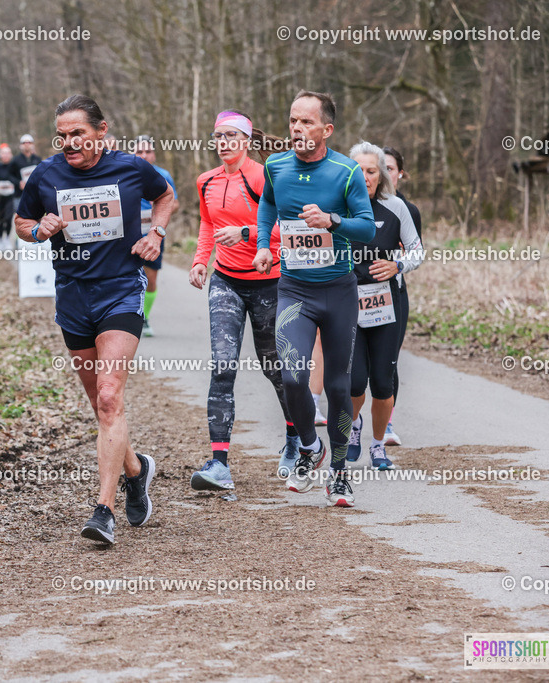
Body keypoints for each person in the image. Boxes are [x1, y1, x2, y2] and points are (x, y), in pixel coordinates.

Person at [14, 94, 175, 544]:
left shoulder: (130, 168)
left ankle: (103, 509)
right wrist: (38, 230)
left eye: (78, 134)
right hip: (73, 297)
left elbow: (165, 196)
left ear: (101, 131)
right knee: (99, 402)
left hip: (120, 291)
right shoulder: (46, 174)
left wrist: (155, 233)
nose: (69, 143)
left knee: (109, 397)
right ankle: (137, 470)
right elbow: (21, 222)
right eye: (61, 136)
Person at [252, 90, 375, 507]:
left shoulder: (346, 172)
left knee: (339, 387)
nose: (297, 129)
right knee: (292, 376)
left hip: (338, 291)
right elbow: (267, 205)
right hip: (295, 290)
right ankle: (309, 448)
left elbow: (367, 228)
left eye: (306, 122)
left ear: (327, 129)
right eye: (292, 122)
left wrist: (332, 220)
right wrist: (265, 245)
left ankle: (339, 472)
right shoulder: (275, 165)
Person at [188, 111, 299, 489]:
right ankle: (219, 463)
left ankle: (295, 438)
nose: (224, 142)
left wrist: (248, 232)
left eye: (231, 135)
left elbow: (289, 229)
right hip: (226, 282)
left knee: (276, 369)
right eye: (218, 136)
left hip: (270, 283)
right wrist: (201, 260)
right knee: (222, 367)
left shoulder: (265, 177)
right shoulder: (206, 181)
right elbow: (208, 224)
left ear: (247, 140)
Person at [345, 142, 423, 469]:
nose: (364, 177)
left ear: (381, 175)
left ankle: (378, 446)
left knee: (382, 382)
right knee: (353, 382)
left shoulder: (396, 208)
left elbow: (417, 251)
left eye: (371, 171)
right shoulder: (337, 207)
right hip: (347, 305)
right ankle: (353, 429)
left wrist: (397, 265)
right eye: (358, 170)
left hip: (386, 304)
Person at [381, 146, 422, 447]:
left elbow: (413, 253)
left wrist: (395, 264)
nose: (384, 173)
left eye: (390, 168)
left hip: (394, 291)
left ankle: (386, 423)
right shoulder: (354, 205)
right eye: (377, 167)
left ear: (400, 174)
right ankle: (354, 423)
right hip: (356, 292)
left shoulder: (408, 211)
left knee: (388, 362)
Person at [134, 135, 179, 337]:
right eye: (139, 152)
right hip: (130, 233)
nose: (143, 155)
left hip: (155, 233)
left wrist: (160, 206)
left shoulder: (163, 175)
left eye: (147, 151)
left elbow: (174, 203)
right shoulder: (125, 174)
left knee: (150, 278)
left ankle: (145, 317)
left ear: (153, 154)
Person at [0, 143, 18, 250]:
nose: (6, 155)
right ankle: (1, 240)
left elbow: (18, 179)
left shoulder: (14, 166)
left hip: (10, 196)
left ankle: (7, 239)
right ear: (0, 155)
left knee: (9, 218)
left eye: (8, 153)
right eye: (3, 153)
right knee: (1, 219)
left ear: (11, 155)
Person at [11, 133, 42, 215]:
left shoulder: (37, 159)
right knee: (21, 218)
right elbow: (9, 175)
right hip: (20, 195)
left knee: (36, 217)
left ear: (33, 145)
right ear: (21, 145)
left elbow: (42, 175)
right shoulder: (15, 160)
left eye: (29, 143)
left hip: (35, 194)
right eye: (24, 143)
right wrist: (18, 183)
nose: (27, 145)